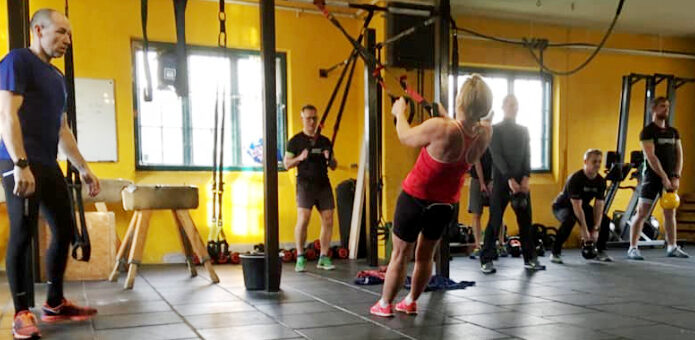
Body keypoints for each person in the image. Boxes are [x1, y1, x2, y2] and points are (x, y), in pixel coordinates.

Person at [0, 9, 101, 339]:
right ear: (38, 29)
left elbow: (62, 130)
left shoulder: (57, 78)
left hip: (47, 162)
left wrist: (84, 168)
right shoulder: (17, 61)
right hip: (17, 162)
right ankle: (21, 312)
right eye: (60, 33)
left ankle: (55, 303)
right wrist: (19, 164)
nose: (67, 40)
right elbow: (7, 115)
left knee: (66, 229)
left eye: (69, 35)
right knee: (23, 231)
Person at [370, 75, 492, 317]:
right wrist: (446, 116)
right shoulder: (485, 133)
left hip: (415, 197)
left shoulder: (440, 127)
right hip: (444, 204)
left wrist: (399, 113)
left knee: (400, 254)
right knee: (425, 256)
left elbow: (405, 136)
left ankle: (384, 304)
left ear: (460, 100)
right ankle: (411, 301)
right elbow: (462, 129)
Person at [480, 94, 545, 274]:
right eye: (510, 104)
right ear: (503, 107)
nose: (513, 107)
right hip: (502, 181)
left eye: (515, 104)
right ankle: (486, 259)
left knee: (526, 221)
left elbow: (527, 155)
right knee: (495, 220)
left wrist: (526, 177)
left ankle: (530, 258)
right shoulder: (496, 129)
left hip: (521, 182)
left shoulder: (523, 130)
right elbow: (497, 155)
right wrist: (510, 179)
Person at [627, 96, 688, 260]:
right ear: (653, 109)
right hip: (652, 178)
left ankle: (672, 247)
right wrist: (663, 177)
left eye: (667, 106)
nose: (666, 109)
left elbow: (679, 156)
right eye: (662, 106)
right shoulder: (647, 132)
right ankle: (633, 248)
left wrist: (676, 176)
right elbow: (651, 157)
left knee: (670, 213)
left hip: (670, 178)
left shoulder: (673, 132)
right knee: (642, 213)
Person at [284, 104, 338, 272]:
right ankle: (300, 256)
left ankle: (323, 257)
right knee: (304, 219)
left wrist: (330, 158)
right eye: (308, 118)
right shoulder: (295, 141)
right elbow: (286, 164)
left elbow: (334, 165)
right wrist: (300, 157)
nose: (312, 122)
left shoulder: (325, 141)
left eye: (314, 118)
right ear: (302, 119)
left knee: (328, 219)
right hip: (305, 184)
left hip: (323, 184)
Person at [550, 149, 612, 263]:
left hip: (581, 206)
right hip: (562, 206)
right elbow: (576, 207)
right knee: (570, 219)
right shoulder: (575, 179)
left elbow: (599, 205)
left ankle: (600, 250)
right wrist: (584, 230)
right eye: (594, 161)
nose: (597, 164)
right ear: (585, 161)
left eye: (599, 161)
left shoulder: (600, 181)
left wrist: (596, 228)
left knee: (605, 220)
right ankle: (555, 252)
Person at [468, 146, 507, 259]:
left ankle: (500, 244)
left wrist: (492, 181)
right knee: (476, 213)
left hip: (494, 179)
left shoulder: (495, 143)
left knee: (497, 213)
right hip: (476, 179)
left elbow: (497, 163)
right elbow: (477, 163)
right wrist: (482, 183)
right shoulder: (475, 145)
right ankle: (478, 246)